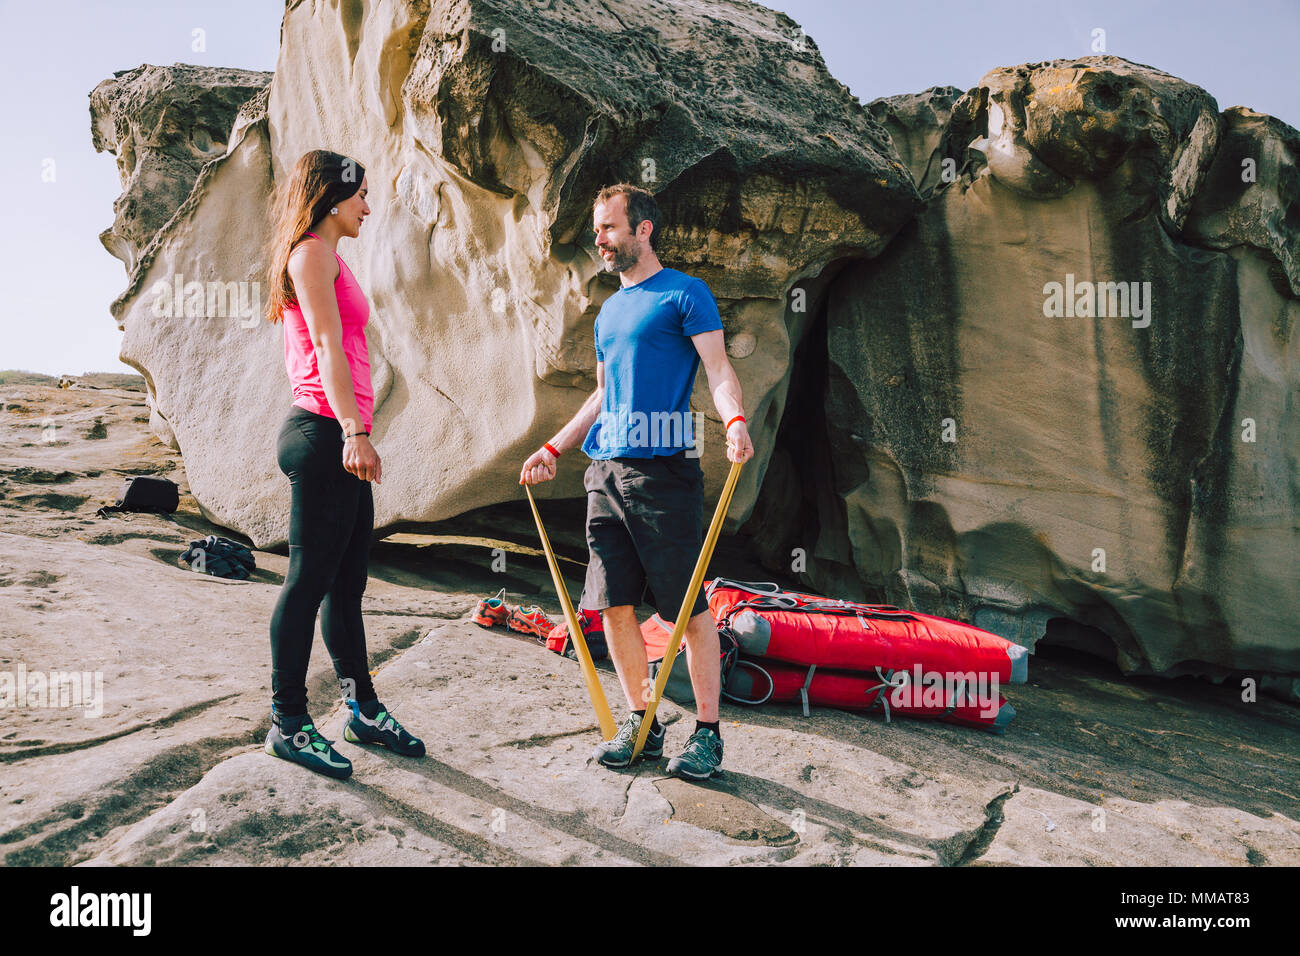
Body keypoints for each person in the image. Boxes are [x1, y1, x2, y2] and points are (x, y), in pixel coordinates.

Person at [520, 183, 754, 780]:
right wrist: (553, 446)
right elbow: (602, 394)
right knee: (613, 603)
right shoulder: (608, 311)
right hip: (605, 473)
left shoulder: (684, 294)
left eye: (607, 228)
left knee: (685, 608)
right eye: (597, 230)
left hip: (665, 474)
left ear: (642, 229)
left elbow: (718, 367)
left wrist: (734, 419)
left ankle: (706, 733)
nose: (597, 239)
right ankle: (641, 722)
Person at [262, 149, 423, 779]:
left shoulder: (328, 255)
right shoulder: (311, 253)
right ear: (331, 197)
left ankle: (361, 708)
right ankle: (289, 723)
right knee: (307, 581)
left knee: (346, 585)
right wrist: (355, 431)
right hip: (325, 434)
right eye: (359, 195)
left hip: (338, 435)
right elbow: (326, 344)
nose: (368, 205)